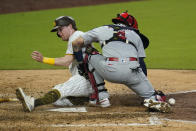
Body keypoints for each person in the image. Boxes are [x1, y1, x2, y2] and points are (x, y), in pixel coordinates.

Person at [72, 12, 171, 113]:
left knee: (88, 51)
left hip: (110, 71)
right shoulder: (135, 35)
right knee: (153, 95)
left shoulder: (102, 29)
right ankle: (153, 99)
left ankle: (101, 97)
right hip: (132, 72)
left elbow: (76, 42)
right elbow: (141, 64)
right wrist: (143, 84)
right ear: (131, 26)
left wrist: (81, 64)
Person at [16, 16, 110, 112]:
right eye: (58, 31)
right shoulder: (79, 36)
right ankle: (89, 98)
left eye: (60, 29)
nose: (59, 33)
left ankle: (33, 103)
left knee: (59, 89)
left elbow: (66, 61)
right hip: (89, 80)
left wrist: (44, 59)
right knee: (58, 101)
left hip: (85, 80)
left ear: (70, 26)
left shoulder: (76, 37)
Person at [111, 11, 149, 76]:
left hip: (110, 69)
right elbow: (141, 60)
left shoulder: (108, 31)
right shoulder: (135, 36)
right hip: (129, 68)